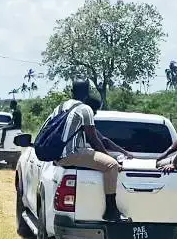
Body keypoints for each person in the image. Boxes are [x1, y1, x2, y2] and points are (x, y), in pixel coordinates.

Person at [43, 80, 134, 222]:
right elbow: (94, 139)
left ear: (72, 91)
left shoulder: (61, 106)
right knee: (112, 165)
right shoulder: (85, 109)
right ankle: (111, 211)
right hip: (71, 154)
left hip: (58, 155)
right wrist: (111, 158)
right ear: (87, 93)